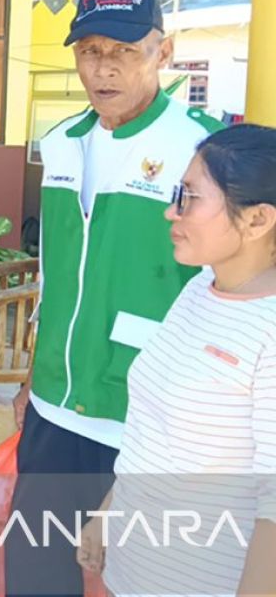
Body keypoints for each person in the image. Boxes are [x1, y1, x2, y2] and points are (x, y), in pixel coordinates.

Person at [5, 0, 224, 596]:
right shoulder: (62, 143)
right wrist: (33, 374)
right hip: (55, 406)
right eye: (90, 51)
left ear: (163, 51)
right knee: (36, 577)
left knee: (145, 580)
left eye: (124, 51)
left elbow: (227, 286)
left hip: (147, 419)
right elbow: (54, 271)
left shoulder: (202, 151)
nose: (102, 68)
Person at [73, 123, 276, 597]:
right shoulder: (197, 290)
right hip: (137, 570)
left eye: (189, 198)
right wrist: (108, 513)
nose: (171, 211)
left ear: (258, 219)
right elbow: (153, 434)